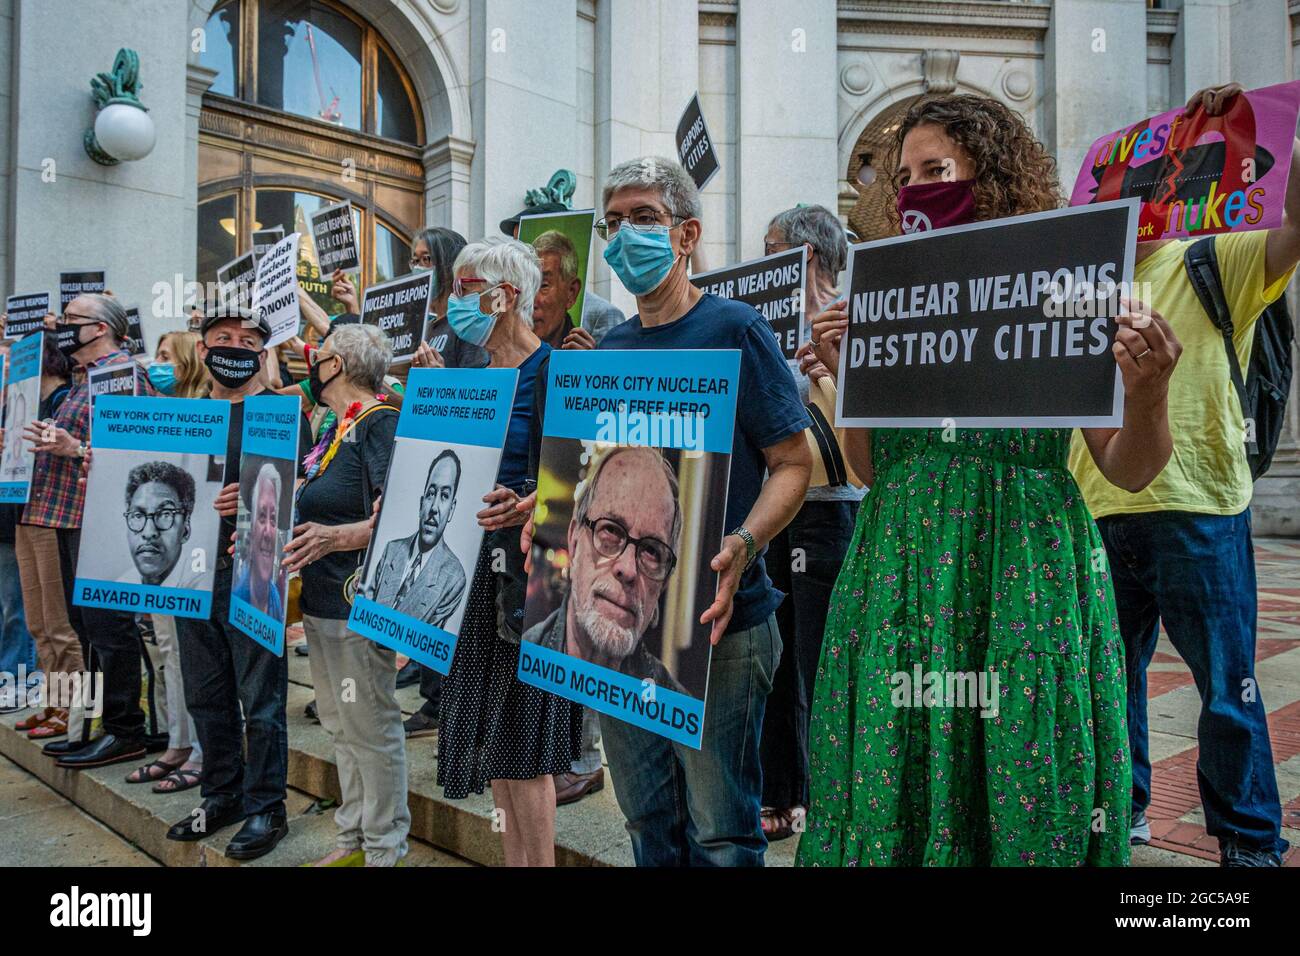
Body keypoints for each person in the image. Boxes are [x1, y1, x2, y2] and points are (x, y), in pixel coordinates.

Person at [799, 94, 1181, 867]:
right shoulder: (889, 299)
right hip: (901, 565)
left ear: (992, 174)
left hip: (1021, 574)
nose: (914, 191)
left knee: (1018, 764)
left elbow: (1128, 467)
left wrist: (1148, 392)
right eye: (902, 177)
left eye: (935, 170)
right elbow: (872, 469)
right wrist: (850, 378)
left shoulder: (1064, 285)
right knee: (899, 765)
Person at [539, 156, 813, 866]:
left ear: (686, 234)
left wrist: (746, 541)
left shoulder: (736, 330)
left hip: (718, 627)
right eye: (613, 222)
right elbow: (589, 477)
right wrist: (541, 509)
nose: (625, 234)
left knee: (721, 832)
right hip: (622, 633)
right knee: (648, 822)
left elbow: (794, 462)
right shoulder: (612, 349)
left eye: (643, 217)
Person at [1068, 81, 1300, 868]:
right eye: (1108, 185)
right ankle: (1124, 811)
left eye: (1137, 182)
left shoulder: (1216, 254)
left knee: (1226, 686)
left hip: (1198, 506)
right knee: (1113, 681)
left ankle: (1250, 843)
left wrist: (1252, 134)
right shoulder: (1076, 287)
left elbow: (1295, 221)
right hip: (1095, 508)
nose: (1123, 196)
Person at [436, 237, 582, 867]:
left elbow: (579, 477)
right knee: (496, 748)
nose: (454, 301)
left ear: (507, 296)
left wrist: (530, 500)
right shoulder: (470, 380)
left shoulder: (554, 373)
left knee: (524, 748)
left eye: (467, 289)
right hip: (473, 576)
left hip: (531, 577)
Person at [165, 305, 312, 861]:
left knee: (262, 698)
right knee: (206, 691)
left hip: (254, 573)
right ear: (203, 349)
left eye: (247, 339)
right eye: (222, 337)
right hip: (190, 573)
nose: (234, 345)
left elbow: (299, 487)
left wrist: (249, 498)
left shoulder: (282, 411)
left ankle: (266, 806)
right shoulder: (186, 414)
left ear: (262, 351)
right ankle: (220, 793)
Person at [756, 204, 865, 840]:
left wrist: (832, 372)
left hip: (831, 509)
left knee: (822, 656)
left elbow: (868, 422)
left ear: (808, 257)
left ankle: (833, 795)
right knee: (775, 656)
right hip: (775, 506)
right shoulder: (762, 325)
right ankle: (781, 790)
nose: (763, 261)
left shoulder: (853, 315)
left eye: (772, 250)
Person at [289, 322, 410, 867]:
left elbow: (395, 515)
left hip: (358, 602)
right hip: (320, 601)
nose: (311, 362)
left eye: (319, 355)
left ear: (337, 366)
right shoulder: (334, 425)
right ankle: (353, 839)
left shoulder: (379, 424)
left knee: (371, 726)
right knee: (340, 725)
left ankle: (386, 849)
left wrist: (336, 536)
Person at [25, 294, 154, 770]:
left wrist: (74, 446)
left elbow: (139, 452)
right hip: (68, 515)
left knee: (108, 627)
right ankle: (101, 724)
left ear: (100, 328)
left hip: (99, 519)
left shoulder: (125, 375)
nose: (59, 324)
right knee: (86, 627)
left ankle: (126, 729)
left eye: (71, 319)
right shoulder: (84, 378)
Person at [523, 445, 684, 693]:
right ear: (574, 542)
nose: (628, 569)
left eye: (652, 551)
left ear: (662, 586)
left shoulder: (672, 710)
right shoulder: (518, 661)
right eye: (611, 530)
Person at [129, 330, 207, 793]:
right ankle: (178, 742)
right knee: (167, 648)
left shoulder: (203, 410)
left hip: (190, 554)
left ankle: (200, 749)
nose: (156, 363)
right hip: (155, 554)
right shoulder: (158, 411)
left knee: (190, 653)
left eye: (165, 356)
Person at [13, 337, 81, 742]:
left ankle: (75, 709)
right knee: (38, 620)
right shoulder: (24, 403)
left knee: (59, 622)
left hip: (52, 517)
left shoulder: (62, 400)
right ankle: (54, 702)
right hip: (23, 513)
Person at [366, 449, 467, 627]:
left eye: (444, 496)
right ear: (421, 503)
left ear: (451, 509)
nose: (434, 507)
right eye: (431, 494)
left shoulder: (454, 578)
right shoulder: (392, 549)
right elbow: (368, 608)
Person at [119, 461, 199, 589]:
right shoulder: (122, 584)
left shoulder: (202, 588)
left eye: (165, 514)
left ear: (185, 529)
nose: (149, 532)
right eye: (138, 515)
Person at [232, 462, 287, 619]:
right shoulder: (239, 598)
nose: (268, 532)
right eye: (262, 517)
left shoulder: (275, 597)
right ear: (251, 526)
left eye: (274, 519)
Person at [148, 331, 208, 398]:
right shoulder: (157, 403)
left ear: (190, 365)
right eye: (157, 356)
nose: (154, 363)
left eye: (165, 357)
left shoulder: (208, 406)